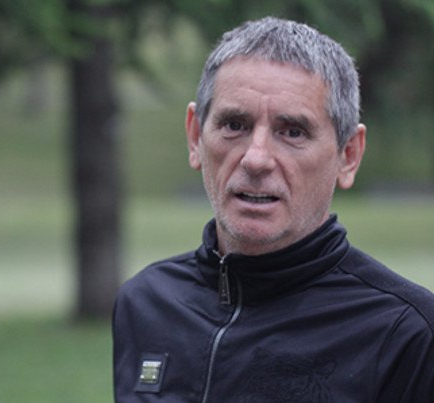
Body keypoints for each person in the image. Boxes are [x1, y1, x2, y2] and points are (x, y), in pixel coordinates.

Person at [113, 17, 434, 402]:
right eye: (235, 124)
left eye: (293, 132)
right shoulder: (146, 304)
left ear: (348, 155)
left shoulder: (407, 334)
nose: (256, 159)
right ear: (196, 136)